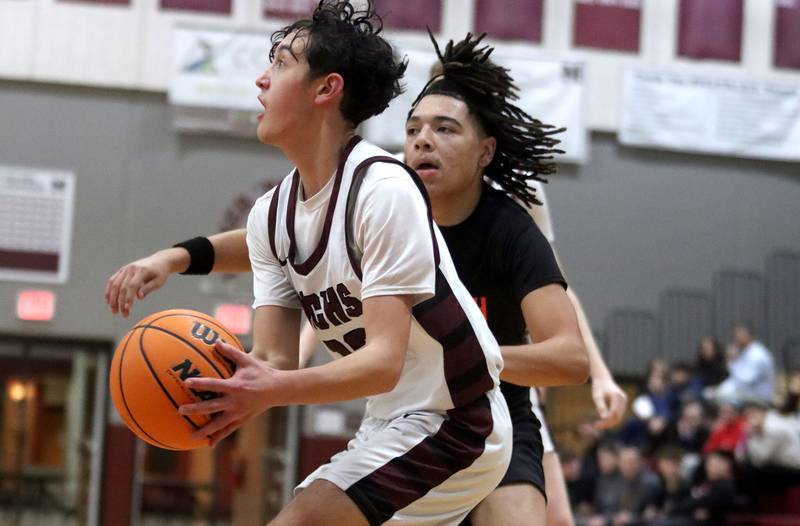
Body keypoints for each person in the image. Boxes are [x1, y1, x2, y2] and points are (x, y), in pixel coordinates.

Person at [107, 31, 610, 526]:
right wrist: (224, 393)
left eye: (280, 64)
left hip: (459, 419)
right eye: (414, 128)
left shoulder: (388, 192)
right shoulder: (271, 216)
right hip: (391, 418)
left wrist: (274, 387)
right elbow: (274, 359)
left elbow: (381, 363)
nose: (261, 81)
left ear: (327, 89)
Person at [714, 323, 776, 405]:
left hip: (758, 396)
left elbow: (745, 380)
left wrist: (732, 361)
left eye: (739, 336)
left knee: (722, 396)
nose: (736, 339)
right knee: (716, 394)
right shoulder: (747, 351)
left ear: (749, 336)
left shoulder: (757, 354)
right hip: (747, 392)